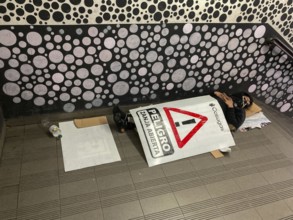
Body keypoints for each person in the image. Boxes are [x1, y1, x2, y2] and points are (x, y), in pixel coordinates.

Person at [113, 91, 253, 152]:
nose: (244, 100)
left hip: (202, 121)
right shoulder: (225, 96)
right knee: (161, 114)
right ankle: (128, 121)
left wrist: (230, 107)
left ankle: (128, 122)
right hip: (196, 110)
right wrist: (216, 94)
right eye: (244, 97)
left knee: (166, 123)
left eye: (247, 102)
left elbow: (233, 125)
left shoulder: (240, 112)